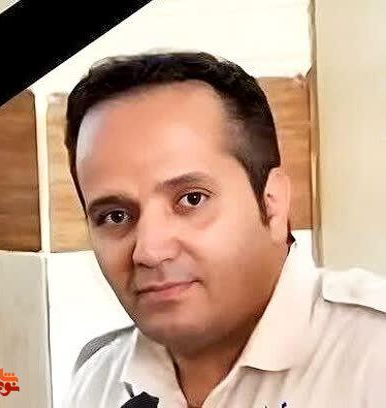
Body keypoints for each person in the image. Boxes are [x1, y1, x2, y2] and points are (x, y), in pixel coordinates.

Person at [63, 52, 386, 408]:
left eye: (191, 199)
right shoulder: (96, 385)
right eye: (115, 216)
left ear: (273, 204)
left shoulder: (374, 355)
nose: (149, 252)